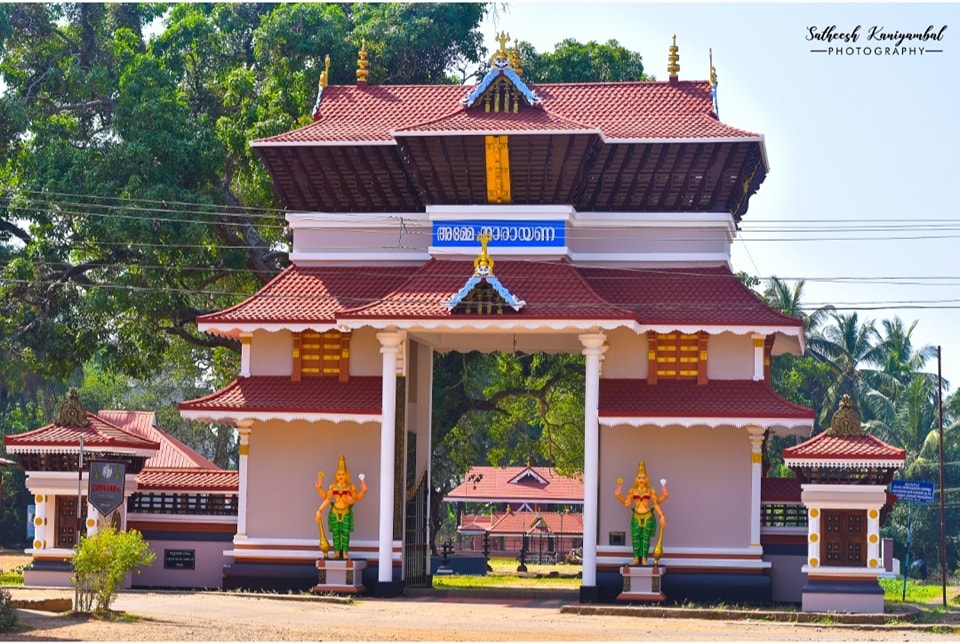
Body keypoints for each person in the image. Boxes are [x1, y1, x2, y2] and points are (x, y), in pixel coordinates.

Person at [614, 460, 668, 566]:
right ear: (636, 479)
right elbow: (627, 504)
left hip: (648, 515)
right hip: (636, 516)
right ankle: (635, 558)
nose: (641, 479)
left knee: (645, 538)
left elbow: (656, 503)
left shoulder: (650, 490)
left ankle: (644, 558)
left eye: (643, 477)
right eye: (639, 477)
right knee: (636, 538)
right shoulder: (632, 491)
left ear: (646, 479)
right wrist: (618, 496)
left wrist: (662, 515)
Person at [315, 454, 367, 559]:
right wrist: (319, 509)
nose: (340, 476)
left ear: (346, 475)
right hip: (335, 511)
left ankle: (345, 553)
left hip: (346, 512)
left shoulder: (350, 487)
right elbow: (327, 498)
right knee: (335, 533)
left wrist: (363, 491)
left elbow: (356, 497)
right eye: (339, 474)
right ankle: (337, 552)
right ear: (336, 475)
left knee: (345, 534)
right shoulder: (332, 487)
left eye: (342, 474)